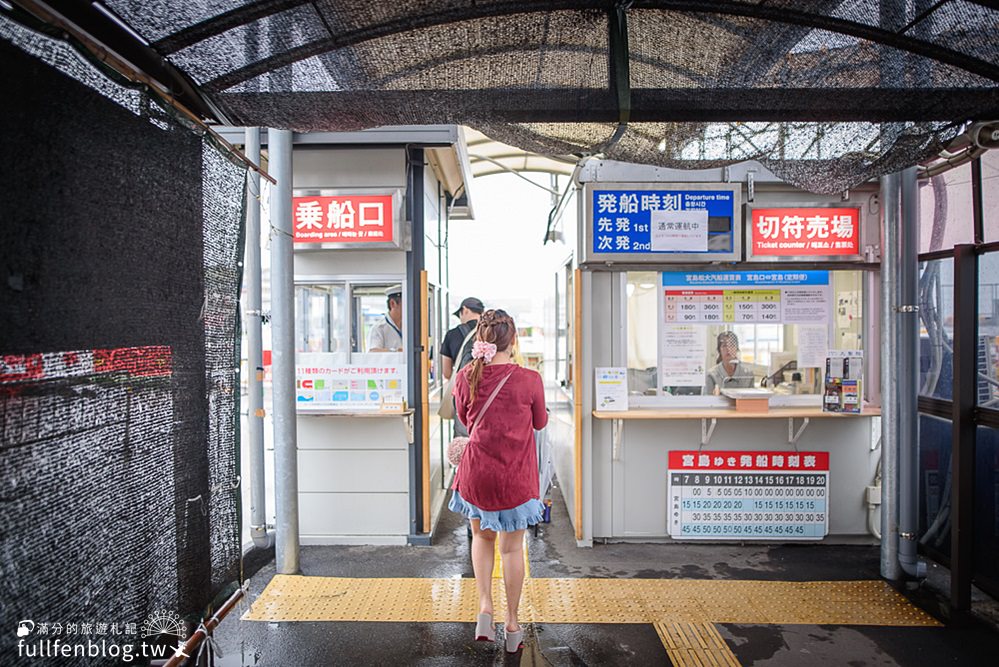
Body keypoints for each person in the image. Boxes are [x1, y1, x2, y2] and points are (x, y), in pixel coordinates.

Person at [448, 309, 547, 654]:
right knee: (511, 548)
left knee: (482, 537)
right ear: (513, 340)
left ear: (480, 341)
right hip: (514, 477)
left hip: (476, 474)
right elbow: (539, 423)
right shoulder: (530, 379)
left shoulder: (464, 376)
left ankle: (485, 608)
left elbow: (464, 418)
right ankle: (513, 623)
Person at [440, 296, 485, 435]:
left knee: (462, 444)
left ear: (464, 310)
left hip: (462, 395)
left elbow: (447, 372)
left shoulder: (452, 335)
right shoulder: (490, 332)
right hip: (488, 395)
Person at [367, 284, 403, 352]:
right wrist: (396, 352)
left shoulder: (408, 326)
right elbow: (373, 352)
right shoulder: (379, 328)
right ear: (392, 304)